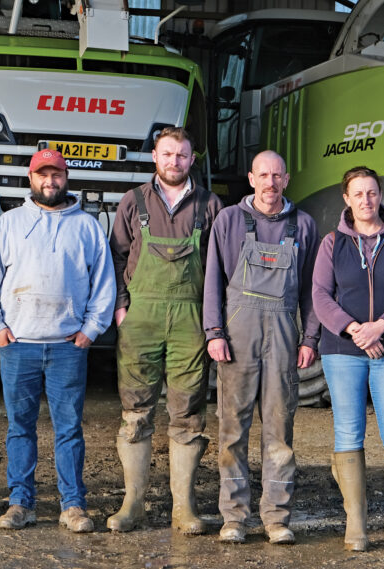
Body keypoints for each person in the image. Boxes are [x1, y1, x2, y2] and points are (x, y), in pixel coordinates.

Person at [0, 149, 116, 533]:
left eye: (56, 175)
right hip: (18, 344)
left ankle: (72, 505)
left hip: (67, 347)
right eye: (42, 175)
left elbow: (105, 282)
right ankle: (21, 502)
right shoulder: (10, 223)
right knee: (20, 426)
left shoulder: (86, 227)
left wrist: (91, 329)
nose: (49, 182)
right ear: (31, 178)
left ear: (66, 177)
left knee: (68, 428)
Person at [107, 127, 223, 534]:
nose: (175, 161)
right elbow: (116, 258)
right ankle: (132, 503)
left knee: (188, 413)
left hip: (190, 319)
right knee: (136, 411)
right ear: (155, 156)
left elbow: (220, 269)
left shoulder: (210, 204)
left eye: (183, 155)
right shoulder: (133, 202)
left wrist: (214, 323)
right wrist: (121, 307)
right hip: (141, 318)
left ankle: (184, 509)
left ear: (193, 159)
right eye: (167, 154)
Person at [204, 151, 319, 545]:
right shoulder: (230, 220)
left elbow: (310, 291)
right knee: (232, 430)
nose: (270, 183)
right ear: (251, 179)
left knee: (280, 433)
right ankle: (234, 517)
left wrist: (310, 338)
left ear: (286, 180)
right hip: (238, 335)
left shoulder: (303, 225)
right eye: (263, 175)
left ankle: (276, 519)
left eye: (277, 176)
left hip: (285, 336)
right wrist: (213, 331)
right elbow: (213, 281)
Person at [311, 166, 384, 554]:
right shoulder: (332, 243)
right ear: (347, 199)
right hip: (343, 351)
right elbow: (321, 296)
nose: (366, 200)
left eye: (372, 192)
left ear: (381, 196)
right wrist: (356, 330)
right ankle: (356, 527)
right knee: (348, 434)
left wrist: (382, 326)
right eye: (358, 194)